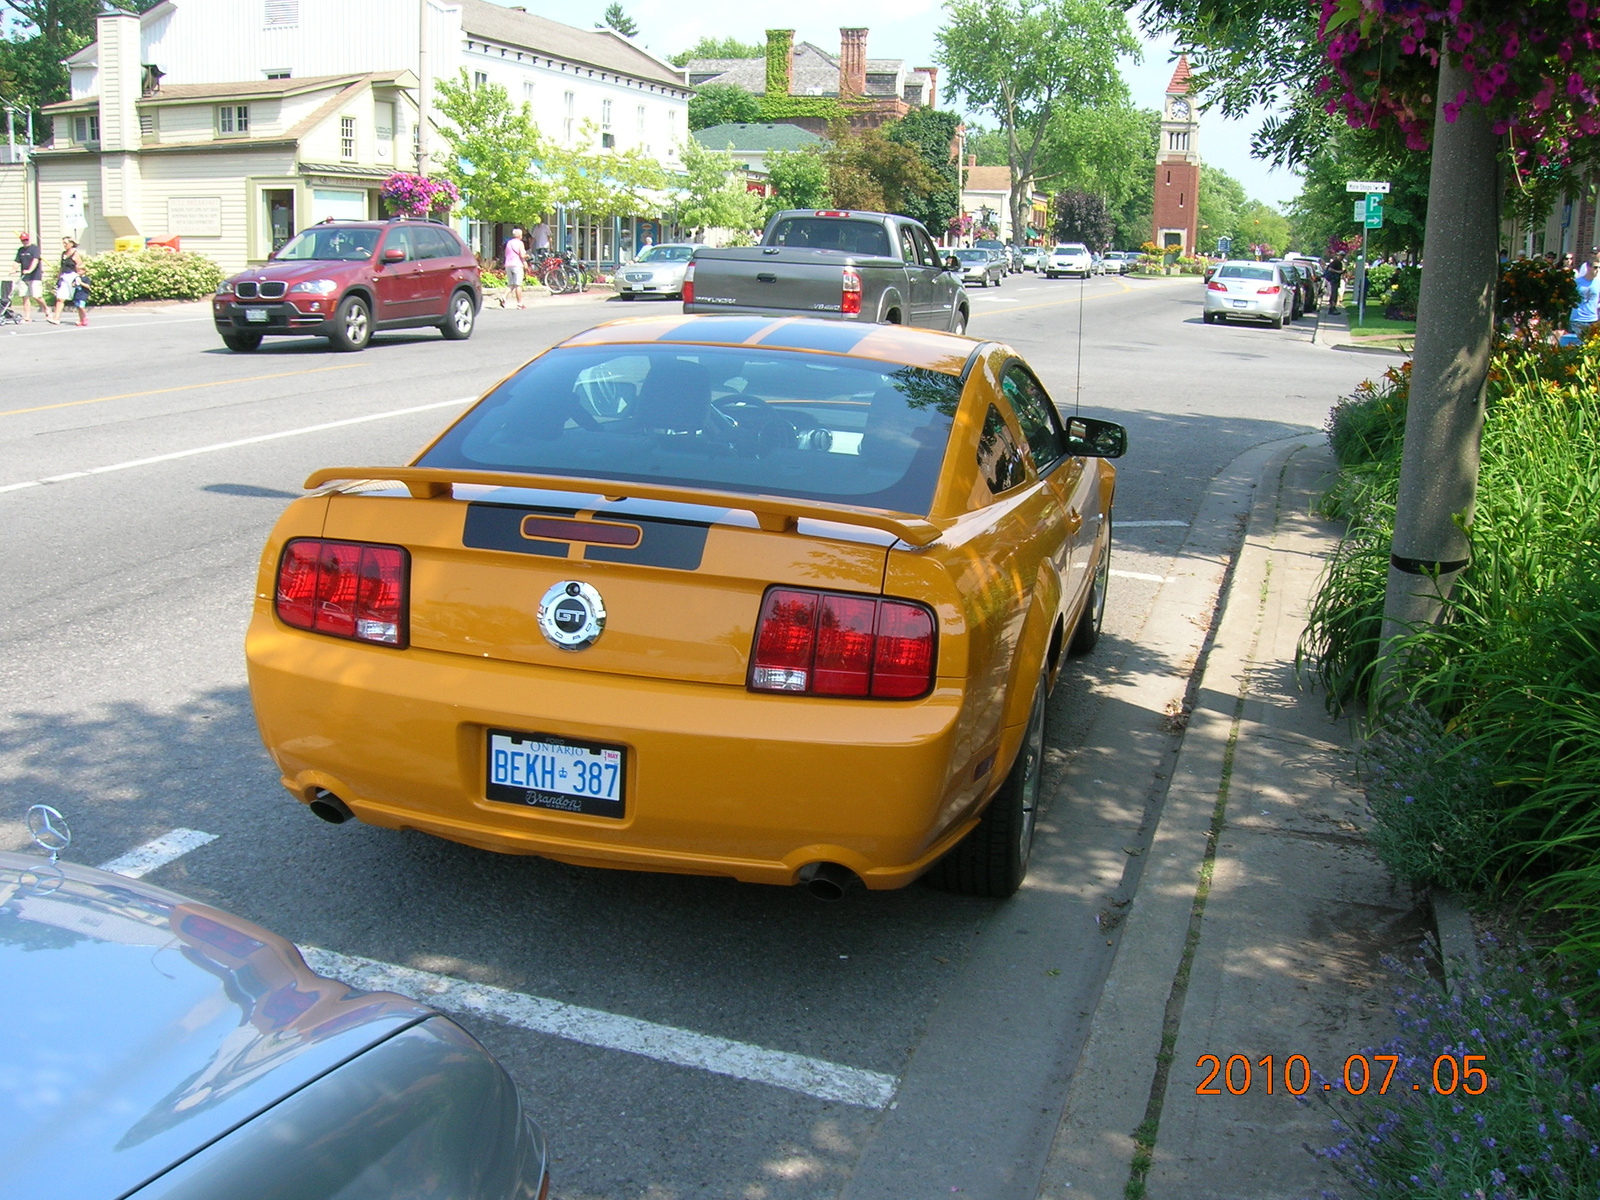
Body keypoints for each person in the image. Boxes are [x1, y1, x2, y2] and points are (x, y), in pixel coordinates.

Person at [50, 236, 88, 326]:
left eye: (65, 243)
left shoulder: (75, 254)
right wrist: (58, 277)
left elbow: (80, 266)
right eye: (63, 243)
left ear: (71, 244)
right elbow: (61, 267)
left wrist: (80, 278)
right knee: (60, 298)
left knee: (77, 300)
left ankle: (82, 318)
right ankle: (56, 318)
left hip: (72, 276)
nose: (64, 245)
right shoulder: (63, 254)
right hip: (64, 277)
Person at [11, 231, 42, 322]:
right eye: (23, 240)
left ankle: (46, 308)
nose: (25, 241)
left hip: (35, 276)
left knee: (36, 296)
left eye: (26, 240)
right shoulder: (21, 250)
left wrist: (30, 270)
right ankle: (27, 316)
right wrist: (13, 269)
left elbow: (35, 260)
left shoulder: (34, 248)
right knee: (24, 296)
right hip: (24, 277)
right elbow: (16, 261)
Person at [1571, 248, 1599, 338]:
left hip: (1593, 319)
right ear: (1588, 267)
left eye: (1599, 268)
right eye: (1595, 267)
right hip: (1577, 319)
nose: (1597, 270)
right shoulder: (1577, 282)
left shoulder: (1598, 282)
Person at [502, 226, 527, 309]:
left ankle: (504, 297)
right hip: (517, 265)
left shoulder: (509, 243)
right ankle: (519, 303)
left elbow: (506, 254)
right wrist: (527, 256)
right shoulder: (520, 243)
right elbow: (522, 255)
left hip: (508, 264)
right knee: (518, 285)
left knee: (511, 284)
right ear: (520, 236)